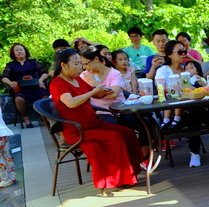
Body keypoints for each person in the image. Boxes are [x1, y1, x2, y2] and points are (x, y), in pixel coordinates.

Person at [49, 48, 144, 195]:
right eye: (76, 64)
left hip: (94, 124)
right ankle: (119, 179)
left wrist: (103, 92)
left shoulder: (77, 79)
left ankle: (133, 170)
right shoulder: (57, 83)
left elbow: (95, 94)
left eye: (81, 63)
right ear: (63, 65)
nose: (81, 67)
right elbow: (71, 103)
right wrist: (93, 91)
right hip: (78, 130)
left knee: (127, 132)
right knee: (115, 137)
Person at [3, 43, 49, 128]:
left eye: (21, 49)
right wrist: (10, 83)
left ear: (25, 51)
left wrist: (40, 80)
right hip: (20, 89)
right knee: (19, 99)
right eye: (17, 50)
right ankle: (26, 118)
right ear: (13, 53)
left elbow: (45, 73)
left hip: (35, 86)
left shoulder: (33, 62)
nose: (19, 51)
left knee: (45, 95)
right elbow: (4, 77)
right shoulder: (11, 65)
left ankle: (44, 115)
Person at [80, 46, 125, 118]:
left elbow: (113, 94)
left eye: (86, 64)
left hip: (120, 109)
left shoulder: (115, 73)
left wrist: (93, 82)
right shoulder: (84, 75)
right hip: (100, 111)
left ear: (96, 59)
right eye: (82, 64)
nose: (84, 67)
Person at [0, 108, 15, 188]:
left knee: (2, 157)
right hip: (4, 132)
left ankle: (5, 180)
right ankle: (12, 177)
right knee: (6, 155)